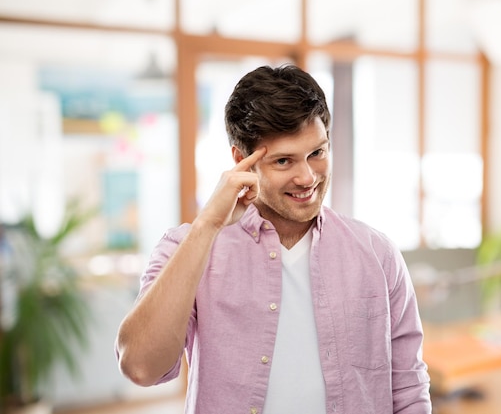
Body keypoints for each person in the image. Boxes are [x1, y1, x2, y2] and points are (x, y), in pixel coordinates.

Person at [115, 64, 432, 414]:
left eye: (318, 153)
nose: (307, 177)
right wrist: (207, 226)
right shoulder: (187, 248)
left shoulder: (378, 254)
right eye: (284, 161)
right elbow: (141, 367)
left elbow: (408, 389)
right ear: (242, 161)